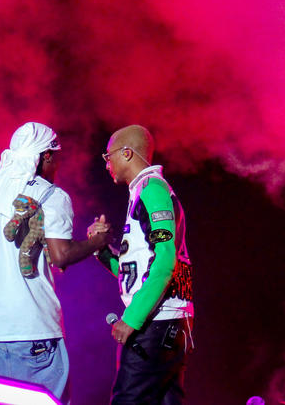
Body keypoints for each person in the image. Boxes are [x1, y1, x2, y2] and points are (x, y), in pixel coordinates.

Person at [0, 122, 112, 402]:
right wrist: (96, 243)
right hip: (32, 331)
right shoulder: (51, 195)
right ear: (46, 156)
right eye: (57, 158)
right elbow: (61, 255)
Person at [95, 125, 194, 404]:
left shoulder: (152, 190)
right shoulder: (142, 191)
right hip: (168, 322)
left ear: (127, 153)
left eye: (108, 156)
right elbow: (136, 271)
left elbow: (164, 261)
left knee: (128, 400)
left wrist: (132, 318)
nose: (107, 164)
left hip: (158, 323)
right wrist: (102, 252)